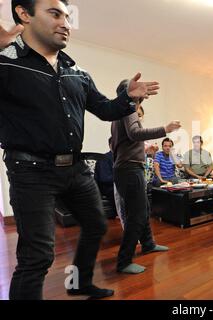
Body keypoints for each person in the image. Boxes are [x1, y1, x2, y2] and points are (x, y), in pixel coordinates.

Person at [0, 0, 159, 300]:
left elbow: (106, 109)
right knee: (37, 255)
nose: (66, 23)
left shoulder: (78, 73)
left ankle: (79, 283)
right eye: (55, 14)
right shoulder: (7, 63)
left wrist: (127, 98)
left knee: (96, 224)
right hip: (30, 171)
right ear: (24, 14)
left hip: (74, 168)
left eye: (68, 16)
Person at [111, 80, 181, 274]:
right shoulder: (127, 107)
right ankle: (124, 261)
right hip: (129, 170)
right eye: (138, 88)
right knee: (137, 214)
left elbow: (121, 142)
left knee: (144, 208)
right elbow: (134, 133)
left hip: (129, 168)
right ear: (129, 93)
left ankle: (148, 244)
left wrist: (144, 150)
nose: (143, 91)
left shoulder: (120, 110)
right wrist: (165, 129)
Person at [94, 137, 117, 219]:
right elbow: (105, 178)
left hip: (116, 184)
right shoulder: (104, 158)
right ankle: (120, 214)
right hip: (106, 186)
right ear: (110, 145)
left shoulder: (120, 157)